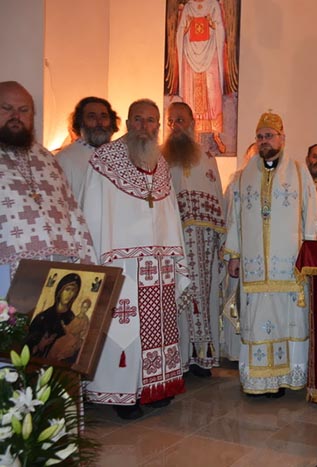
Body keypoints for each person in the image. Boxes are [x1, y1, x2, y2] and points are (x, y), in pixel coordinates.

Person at [81, 99, 188, 419]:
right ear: (127, 123)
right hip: (121, 264)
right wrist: (96, 261)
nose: (145, 126)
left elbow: (171, 213)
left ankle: (155, 386)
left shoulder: (161, 163)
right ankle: (122, 395)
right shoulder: (104, 159)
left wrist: (175, 254)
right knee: (124, 330)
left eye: (151, 120)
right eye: (138, 119)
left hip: (159, 264)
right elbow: (92, 211)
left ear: (158, 126)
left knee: (159, 329)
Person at [223, 111, 317, 397]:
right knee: (256, 322)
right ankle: (258, 381)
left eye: (269, 135)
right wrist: (234, 254)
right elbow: (235, 218)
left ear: (282, 138)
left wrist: (311, 256)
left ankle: (287, 378)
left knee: (288, 320)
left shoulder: (299, 172)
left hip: (289, 266)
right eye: (260, 136)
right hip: (254, 267)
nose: (264, 140)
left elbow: (312, 215)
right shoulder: (243, 177)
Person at [0, 81, 95, 279]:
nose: (16, 116)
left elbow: (72, 213)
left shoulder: (46, 159)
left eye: (24, 110)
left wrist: (87, 266)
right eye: (7, 108)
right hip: (5, 269)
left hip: (54, 268)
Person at [162, 101, 226, 378]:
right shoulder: (159, 159)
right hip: (171, 240)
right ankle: (178, 357)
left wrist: (222, 242)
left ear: (192, 122)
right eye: (171, 121)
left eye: (180, 120)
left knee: (202, 296)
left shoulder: (208, 158)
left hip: (203, 243)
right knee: (175, 295)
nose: (175, 125)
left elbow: (218, 198)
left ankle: (202, 358)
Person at [175, 0, 227, 153]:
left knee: (212, 93)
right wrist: (186, 28)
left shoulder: (213, 5)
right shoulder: (189, 7)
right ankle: (195, 134)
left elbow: (220, 28)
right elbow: (180, 31)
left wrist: (212, 24)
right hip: (190, 54)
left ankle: (216, 134)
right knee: (192, 93)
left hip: (210, 53)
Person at [55, 97, 120, 198]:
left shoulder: (120, 156)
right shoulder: (64, 158)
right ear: (81, 122)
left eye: (104, 116)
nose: (99, 122)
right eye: (91, 117)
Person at [25, 273, 81, 359]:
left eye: (73, 291)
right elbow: (28, 341)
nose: (70, 294)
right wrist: (39, 344)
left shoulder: (72, 319)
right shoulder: (43, 316)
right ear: (59, 291)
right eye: (67, 289)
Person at [48, 296, 91, 363]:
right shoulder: (76, 317)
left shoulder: (86, 320)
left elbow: (84, 333)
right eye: (83, 306)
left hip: (75, 339)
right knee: (58, 342)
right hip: (68, 336)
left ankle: (57, 361)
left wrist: (79, 338)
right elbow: (69, 328)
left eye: (85, 307)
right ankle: (49, 361)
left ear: (87, 309)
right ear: (81, 306)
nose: (83, 309)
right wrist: (63, 325)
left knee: (66, 348)